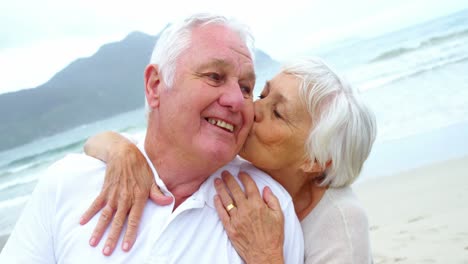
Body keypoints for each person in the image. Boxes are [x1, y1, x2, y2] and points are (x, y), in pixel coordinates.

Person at [0, 14, 304, 263]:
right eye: (214, 77)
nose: (237, 100)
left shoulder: (268, 209)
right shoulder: (68, 184)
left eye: (247, 88)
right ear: (155, 85)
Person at [82, 58, 377, 263]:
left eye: (277, 113)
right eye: (261, 94)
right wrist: (120, 150)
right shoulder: (233, 156)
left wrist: (266, 257)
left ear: (316, 161)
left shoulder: (340, 221)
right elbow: (121, 142)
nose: (254, 109)